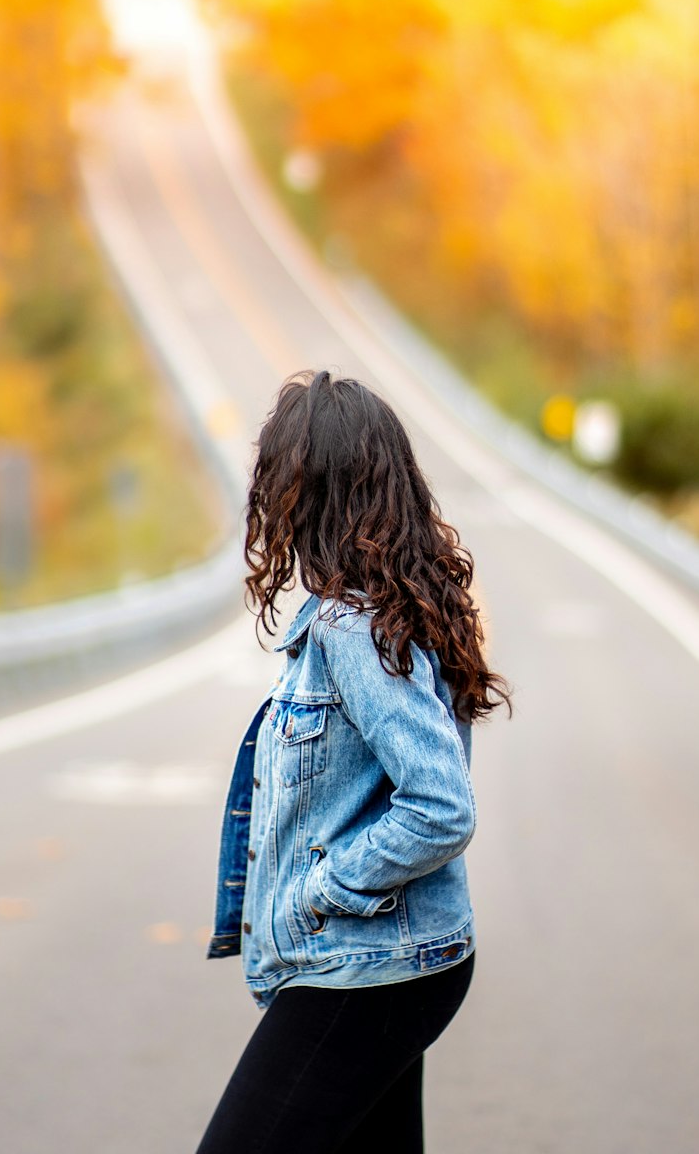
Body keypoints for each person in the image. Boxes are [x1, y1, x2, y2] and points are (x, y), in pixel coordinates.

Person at [196, 369, 513, 1154]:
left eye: (279, 484)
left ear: (310, 495)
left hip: (366, 964)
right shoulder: (398, 609)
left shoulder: (351, 627)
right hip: (398, 962)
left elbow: (440, 805)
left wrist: (318, 891)